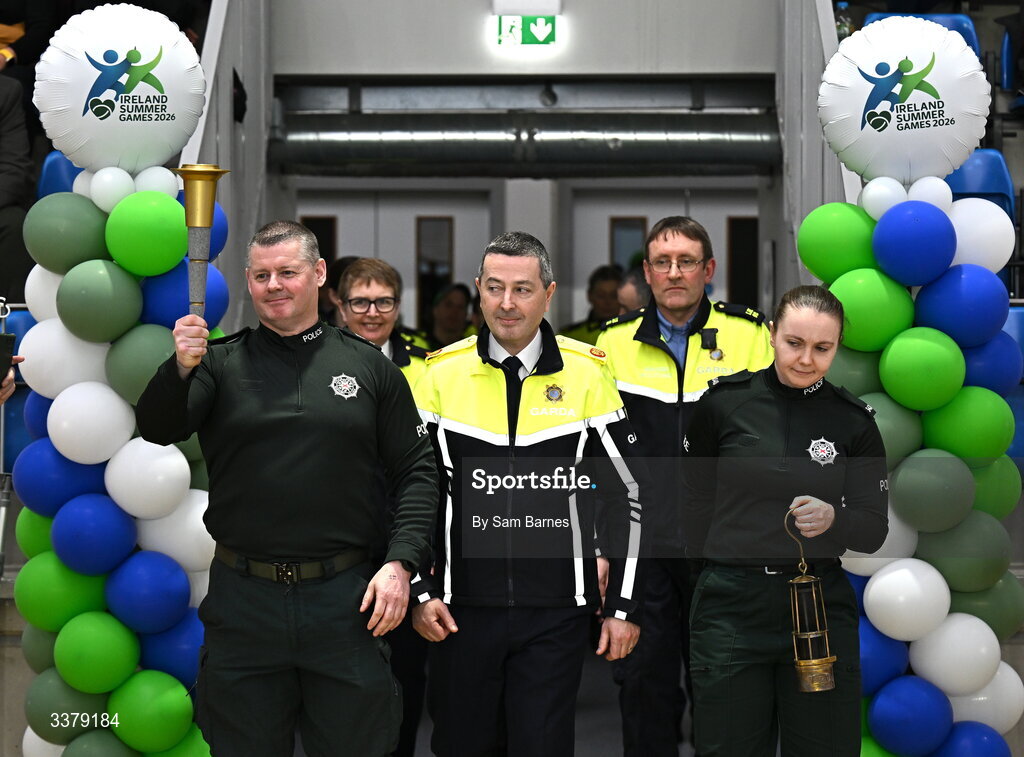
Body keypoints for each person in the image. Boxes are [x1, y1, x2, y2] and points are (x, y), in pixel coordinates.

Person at [135, 221, 438, 757]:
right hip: (244, 601)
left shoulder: (369, 368)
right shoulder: (219, 363)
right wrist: (179, 367)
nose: (273, 285)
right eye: (260, 275)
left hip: (347, 601)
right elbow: (159, 427)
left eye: (287, 273)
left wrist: (401, 564)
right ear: (248, 283)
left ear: (319, 275)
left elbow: (417, 471)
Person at [411, 231, 645, 757]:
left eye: (522, 289)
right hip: (458, 613)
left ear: (549, 293)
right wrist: (421, 593)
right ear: (479, 290)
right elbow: (411, 493)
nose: (507, 303)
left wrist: (624, 607)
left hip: (556, 613)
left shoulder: (588, 373)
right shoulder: (440, 373)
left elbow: (629, 495)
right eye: (494, 288)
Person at [682, 285, 888, 756]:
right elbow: (691, 507)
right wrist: (718, 572)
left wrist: (836, 519)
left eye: (822, 348)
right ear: (772, 335)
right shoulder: (722, 405)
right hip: (730, 606)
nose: (805, 359)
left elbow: (874, 529)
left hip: (817, 603)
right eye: (794, 343)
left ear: (837, 348)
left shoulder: (854, 422)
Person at [596, 216, 774, 756]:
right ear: (647, 273)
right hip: (641, 552)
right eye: (663, 262)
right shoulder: (612, 343)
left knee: (724, 690)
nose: (675, 273)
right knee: (645, 692)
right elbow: (599, 456)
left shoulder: (749, 336)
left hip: (722, 550)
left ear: (709, 270)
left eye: (687, 261)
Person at [333, 256, 429, 757]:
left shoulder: (426, 366)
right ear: (339, 304)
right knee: (340, 675)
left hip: (405, 540)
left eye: (384, 301)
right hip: (335, 543)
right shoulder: (314, 359)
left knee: (404, 672)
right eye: (361, 302)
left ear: (399, 304)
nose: (373, 313)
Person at [560, 263, 622, 345]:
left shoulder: (632, 333)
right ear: (590, 296)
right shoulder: (568, 337)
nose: (608, 301)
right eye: (601, 296)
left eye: (613, 296)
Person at [427, 282, 471, 349]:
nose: (455, 311)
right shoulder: (419, 346)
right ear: (435, 310)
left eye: (460, 307)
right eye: (449, 305)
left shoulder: (473, 350)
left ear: (466, 314)